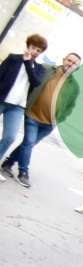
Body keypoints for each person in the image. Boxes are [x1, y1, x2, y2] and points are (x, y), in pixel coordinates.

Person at [0, 51, 80, 188]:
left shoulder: (75, 87)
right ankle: (23, 172)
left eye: (74, 63)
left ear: (77, 67)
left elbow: (70, 106)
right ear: (64, 59)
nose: (70, 64)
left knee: (28, 145)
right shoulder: (47, 69)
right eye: (69, 60)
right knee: (29, 142)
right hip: (33, 115)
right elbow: (31, 80)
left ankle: (8, 163)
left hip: (49, 123)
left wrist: (59, 119)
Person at [0, 34, 47, 183]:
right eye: (33, 47)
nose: (34, 51)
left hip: (17, 107)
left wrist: (28, 63)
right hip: (2, 99)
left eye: (38, 50)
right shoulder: (13, 58)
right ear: (28, 46)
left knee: (10, 137)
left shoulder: (39, 69)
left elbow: (35, 82)